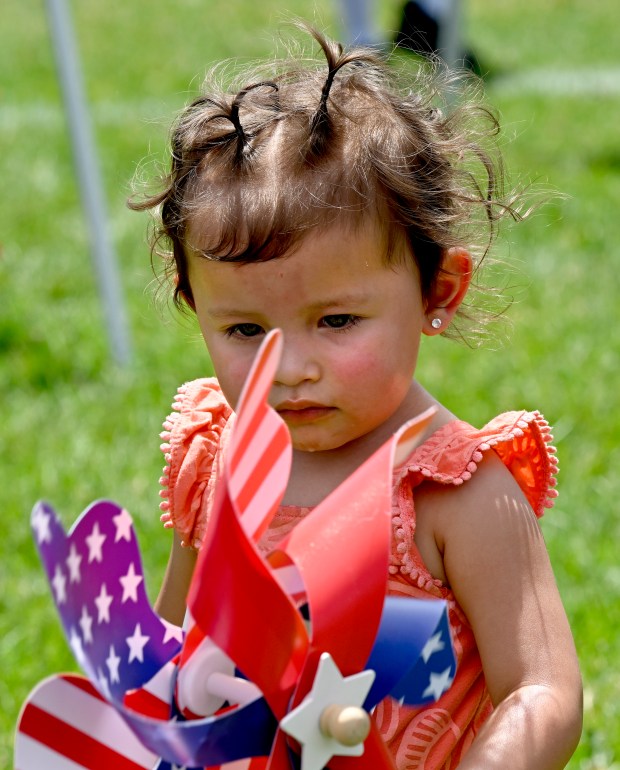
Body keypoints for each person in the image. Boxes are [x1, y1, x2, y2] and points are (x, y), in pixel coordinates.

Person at [129, 25, 582, 769]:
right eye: (245, 329)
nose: (290, 369)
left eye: (336, 321)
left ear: (439, 291)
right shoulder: (220, 462)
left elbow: (542, 690)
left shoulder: (456, 490)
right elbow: (172, 657)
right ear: (192, 304)